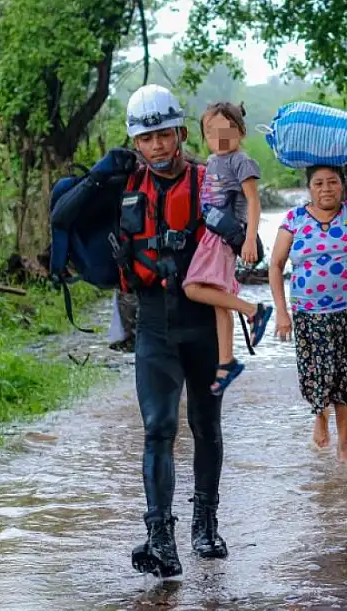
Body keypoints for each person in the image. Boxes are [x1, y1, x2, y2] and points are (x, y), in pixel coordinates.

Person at [112, 84, 228, 581]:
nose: (157, 146)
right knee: (158, 426)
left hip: (202, 323)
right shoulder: (121, 189)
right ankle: (161, 533)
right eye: (146, 139)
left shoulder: (210, 181)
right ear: (136, 143)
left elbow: (250, 250)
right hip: (154, 324)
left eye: (164, 135)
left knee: (205, 424)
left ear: (181, 133)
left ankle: (205, 522)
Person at [269, 114, 347, 464]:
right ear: (309, 188)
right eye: (319, 183)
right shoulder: (294, 219)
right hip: (309, 313)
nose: (326, 189)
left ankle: (344, 444)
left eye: (333, 183)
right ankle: (319, 416)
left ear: (343, 185)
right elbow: (276, 266)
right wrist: (282, 312)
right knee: (316, 377)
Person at [183, 102, 273, 395]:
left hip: (224, 237)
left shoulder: (240, 161)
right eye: (211, 132)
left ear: (241, 131)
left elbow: (253, 202)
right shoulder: (212, 161)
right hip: (211, 234)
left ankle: (253, 310)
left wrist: (249, 238)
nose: (219, 138)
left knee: (193, 288)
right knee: (220, 302)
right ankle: (226, 362)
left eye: (227, 131)